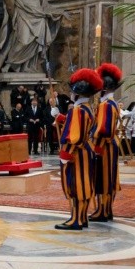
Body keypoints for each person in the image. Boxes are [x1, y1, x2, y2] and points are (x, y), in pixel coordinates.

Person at [56, 68, 103, 230]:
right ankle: (82, 218)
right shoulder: (88, 109)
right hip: (86, 151)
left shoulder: (77, 111)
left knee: (75, 185)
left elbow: (74, 136)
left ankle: (75, 219)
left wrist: (65, 154)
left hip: (76, 153)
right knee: (84, 185)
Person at [90, 63, 123, 222]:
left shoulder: (105, 105)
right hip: (111, 145)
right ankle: (106, 209)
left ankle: (102, 211)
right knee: (109, 178)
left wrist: (96, 145)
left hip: (104, 146)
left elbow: (104, 129)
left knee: (103, 179)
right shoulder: (113, 104)